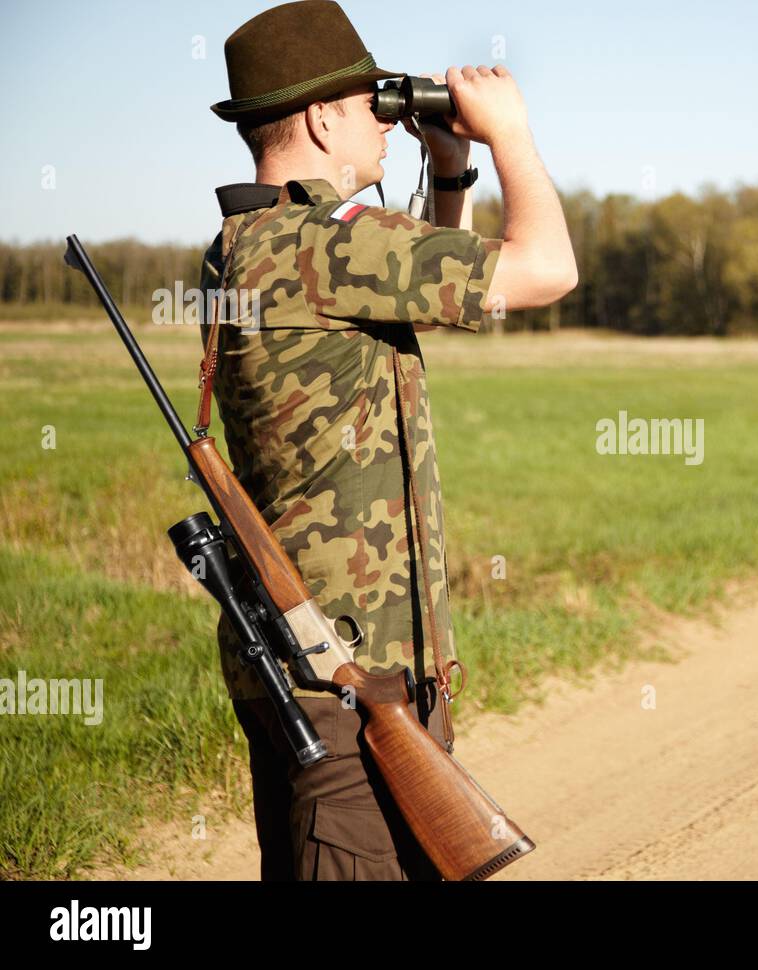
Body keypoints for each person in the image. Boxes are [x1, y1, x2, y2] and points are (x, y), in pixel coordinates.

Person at [198, 0, 576, 880]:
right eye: (369, 101)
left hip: (312, 666)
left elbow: (434, 300)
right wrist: (511, 134)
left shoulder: (251, 243)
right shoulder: (327, 245)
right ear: (323, 117)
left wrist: (451, 174)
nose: (382, 118)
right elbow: (548, 268)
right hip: (349, 684)